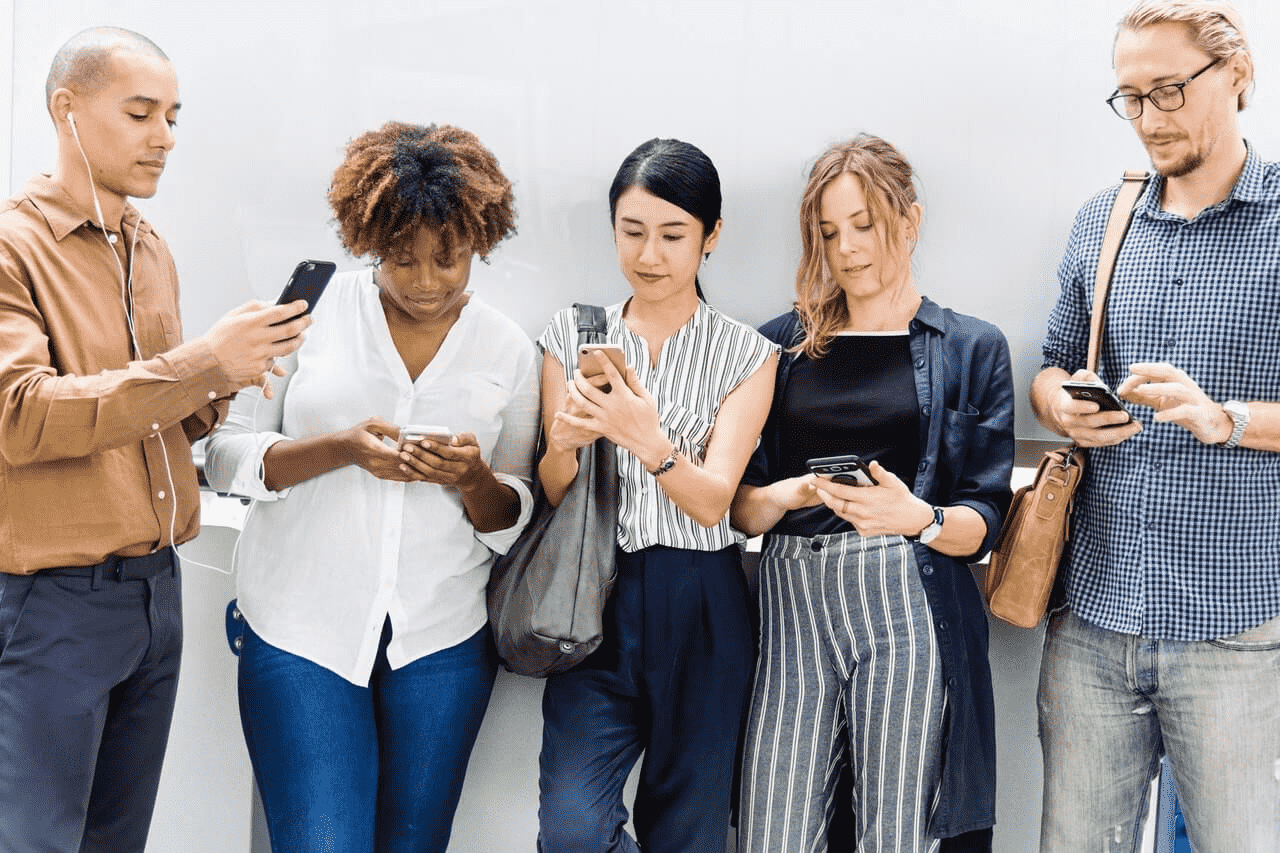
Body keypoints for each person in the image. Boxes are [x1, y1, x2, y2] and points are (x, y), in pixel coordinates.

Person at [0, 27, 310, 853]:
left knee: (115, 841)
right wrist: (198, 362)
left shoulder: (148, 247)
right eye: (141, 113)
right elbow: (22, 416)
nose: (165, 137)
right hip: (50, 605)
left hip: (154, 596)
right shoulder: (10, 247)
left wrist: (221, 379)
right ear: (66, 110)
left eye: (173, 115)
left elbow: (150, 423)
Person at [204, 122, 539, 852]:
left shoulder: (509, 350)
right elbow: (223, 456)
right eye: (400, 257)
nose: (424, 281)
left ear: (479, 241)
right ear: (368, 239)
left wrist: (474, 477)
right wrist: (337, 449)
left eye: (447, 259)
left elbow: (513, 516)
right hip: (299, 630)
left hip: (442, 640)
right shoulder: (305, 319)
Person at [1032, 1, 1280, 850]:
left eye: (1168, 91)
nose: (1147, 119)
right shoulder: (1105, 220)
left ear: (1238, 75)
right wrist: (1058, 403)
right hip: (1094, 622)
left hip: (1238, 634)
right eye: (1129, 98)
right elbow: (1052, 364)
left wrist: (1228, 417)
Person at [732, 134, 1014, 853]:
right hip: (793, 603)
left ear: (910, 222)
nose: (846, 248)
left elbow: (985, 518)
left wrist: (915, 517)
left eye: (865, 225)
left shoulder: (972, 347)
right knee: (775, 827)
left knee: (901, 831)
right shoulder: (778, 346)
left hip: (907, 602)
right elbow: (738, 503)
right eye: (828, 232)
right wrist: (789, 493)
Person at [534, 138, 777, 853]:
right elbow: (555, 491)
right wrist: (564, 442)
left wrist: (646, 437)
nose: (650, 253)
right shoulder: (571, 334)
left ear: (711, 237)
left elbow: (713, 502)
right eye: (632, 231)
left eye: (673, 235)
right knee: (572, 833)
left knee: (690, 833)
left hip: (705, 603)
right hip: (594, 595)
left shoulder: (748, 354)